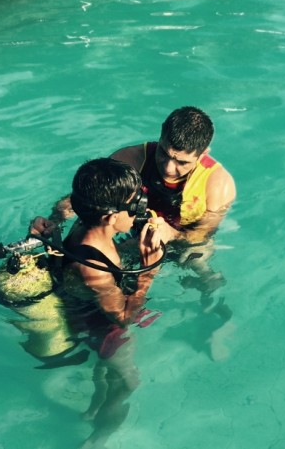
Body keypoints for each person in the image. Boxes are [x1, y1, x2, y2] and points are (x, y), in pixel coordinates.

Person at [31, 106, 236, 358]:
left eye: (181, 162)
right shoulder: (131, 158)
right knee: (100, 267)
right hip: (127, 229)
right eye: (164, 153)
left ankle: (214, 320)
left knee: (204, 268)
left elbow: (202, 235)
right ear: (160, 137)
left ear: (203, 154)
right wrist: (54, 221)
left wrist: (172, 235)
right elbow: (90, 198)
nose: (168, 168)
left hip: (180, 238)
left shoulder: (218, 184)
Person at [58, 157, 164, 448]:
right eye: (134, 204)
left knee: (106, 371)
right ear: (108, 217)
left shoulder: (85, 223)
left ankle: (93, 408)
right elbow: (122, 317)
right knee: (128, 382)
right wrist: (149, 271)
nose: (141, 207)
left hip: (86, 311)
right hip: (103, 329)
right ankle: (98, 438)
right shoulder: (94, 265)